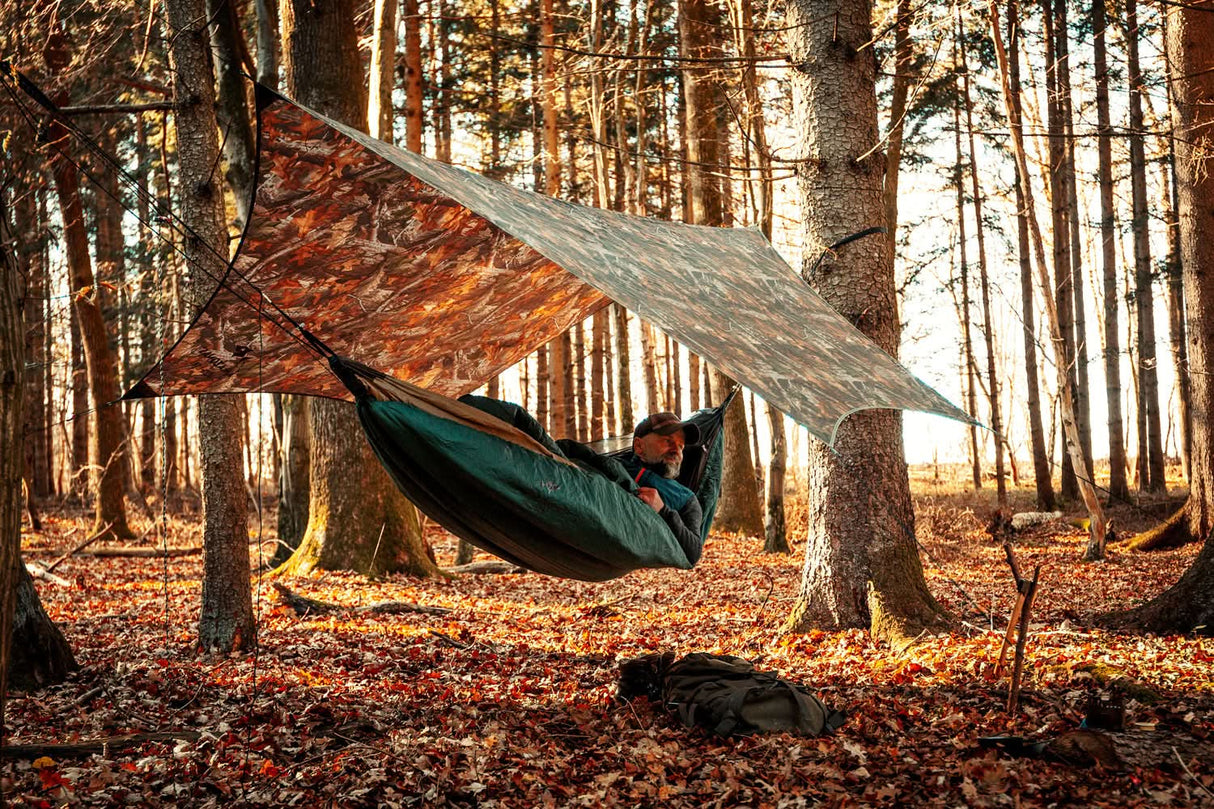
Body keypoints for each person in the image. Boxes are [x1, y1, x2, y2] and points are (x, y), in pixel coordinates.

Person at [621, 412, 704, 565]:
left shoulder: (685, 498)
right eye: (668, 441)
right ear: (639, 446)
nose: (676, 451)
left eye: (681, 446)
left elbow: (693, 552)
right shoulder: (614, 468)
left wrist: (663, 510)